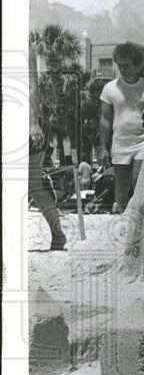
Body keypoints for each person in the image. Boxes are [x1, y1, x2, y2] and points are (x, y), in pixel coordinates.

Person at [99, 43, 144, 213]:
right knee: (121, 189)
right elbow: (104, 119)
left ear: (137, 65)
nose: (122, 69)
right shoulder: (110, 88)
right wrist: (103, 147)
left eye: (126, 65)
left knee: (139, 182)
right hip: (120, 143)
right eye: (120, 65)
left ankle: (139, 221)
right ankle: (125, 221)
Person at [28, 42, 67, 250]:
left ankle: (58, 233)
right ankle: (58, 234)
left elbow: (32, 85)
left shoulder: (23, 43)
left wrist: (33, 122)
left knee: (34, 185)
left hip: (25, 122)